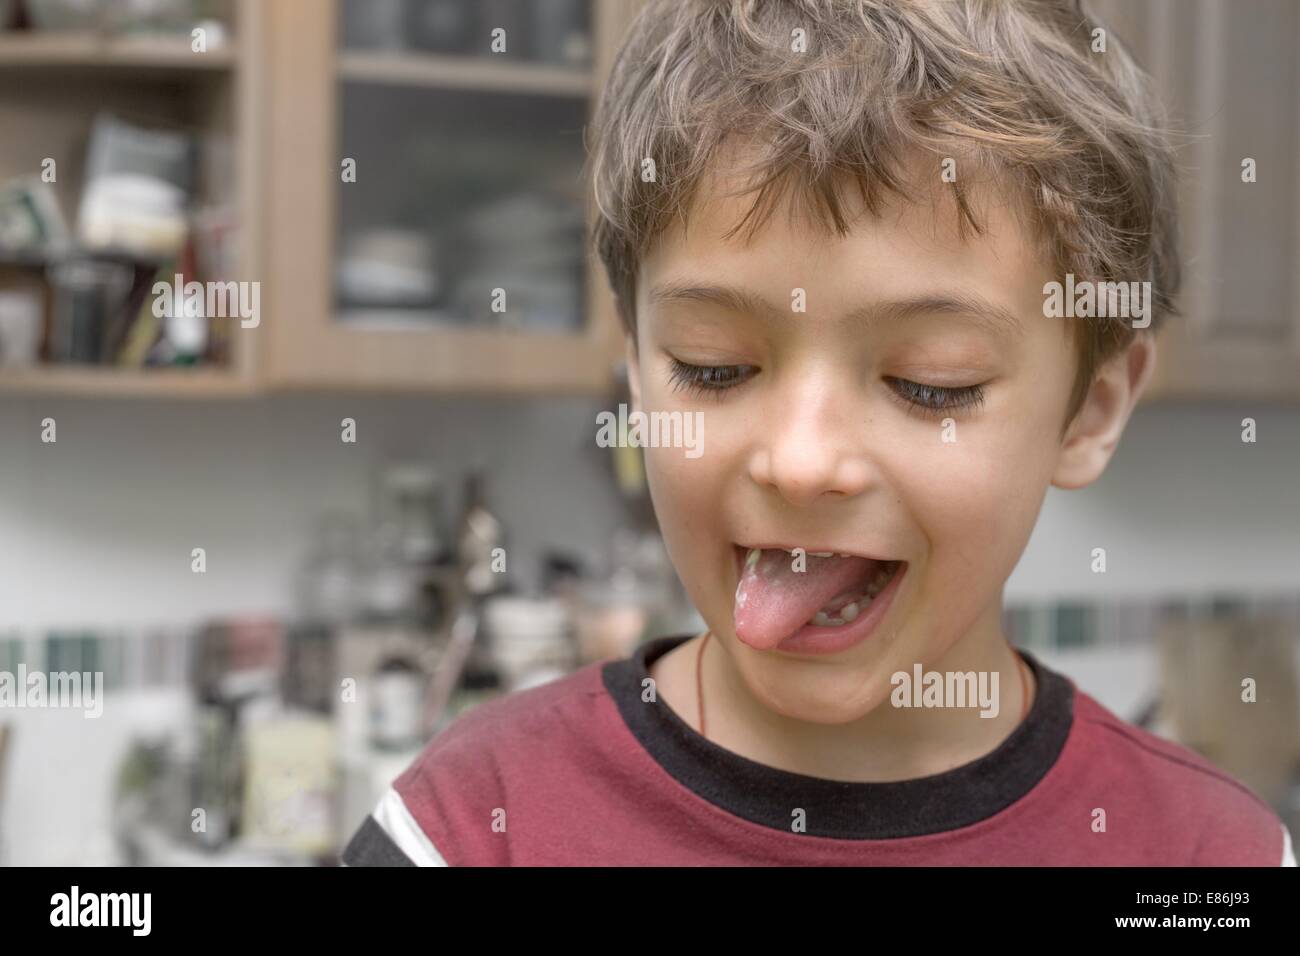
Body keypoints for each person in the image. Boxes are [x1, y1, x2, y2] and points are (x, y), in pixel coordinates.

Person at [344, 0, 1295, 866]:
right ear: (636, 367)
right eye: (714, 366)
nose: (799, 462)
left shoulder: (1207, 859)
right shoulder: (470, 828)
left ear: (1089, 411)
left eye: (932, 384)